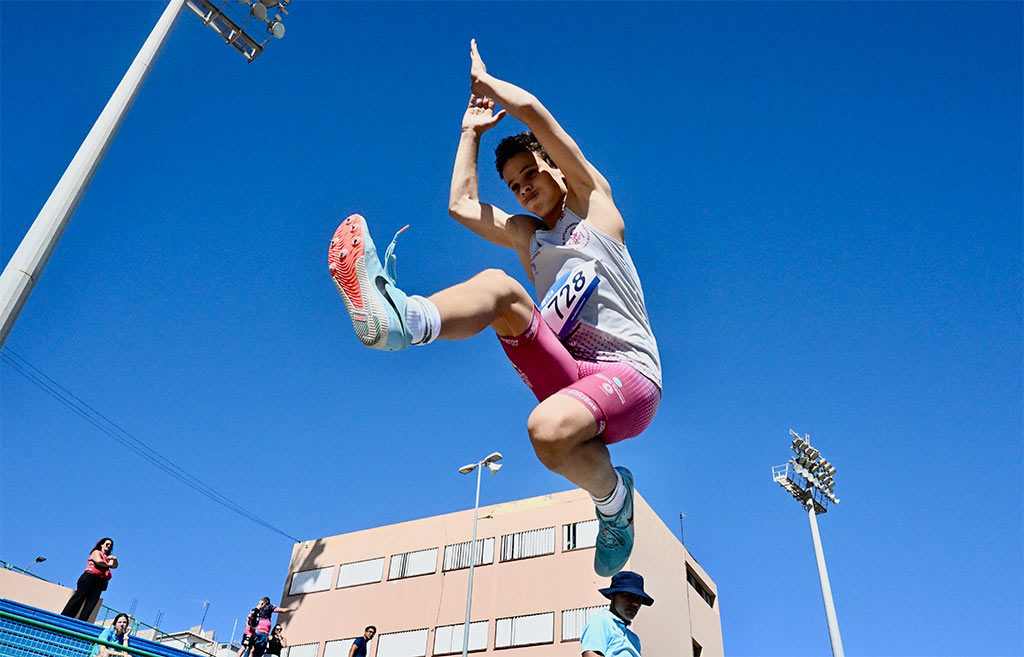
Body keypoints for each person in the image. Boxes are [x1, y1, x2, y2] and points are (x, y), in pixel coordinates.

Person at [328, 39, 661, 576]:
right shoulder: (528, 237)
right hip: (571, 374)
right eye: (512, 186)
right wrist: (468, 133)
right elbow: (461, 205)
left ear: (555, 168)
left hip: (630, 379)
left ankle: (613, 501)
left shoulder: (595, 204)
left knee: (545, 432)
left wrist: (488, 87)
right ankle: (402, 323)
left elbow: (536, 115)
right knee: (500, 287)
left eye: (529, 175)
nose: (522, 190)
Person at [580, 571, 653, 657]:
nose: (635, 603)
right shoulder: (601, 621)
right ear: (612, 596)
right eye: (628, 595)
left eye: (639, 599)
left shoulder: (633, 639)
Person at [61, 538, 118, 621]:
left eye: (110, 545)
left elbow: (115, 566)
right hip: (90, 577)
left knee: (91, 603)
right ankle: (66, 616)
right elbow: (99, 561)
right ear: (102, 544)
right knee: (79, 598)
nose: (109, 546)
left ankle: (82, 621)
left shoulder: (107, 558)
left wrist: (114, 559)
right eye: (107, 544)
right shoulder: (96, 552)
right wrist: (108, 564)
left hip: (100, 582)